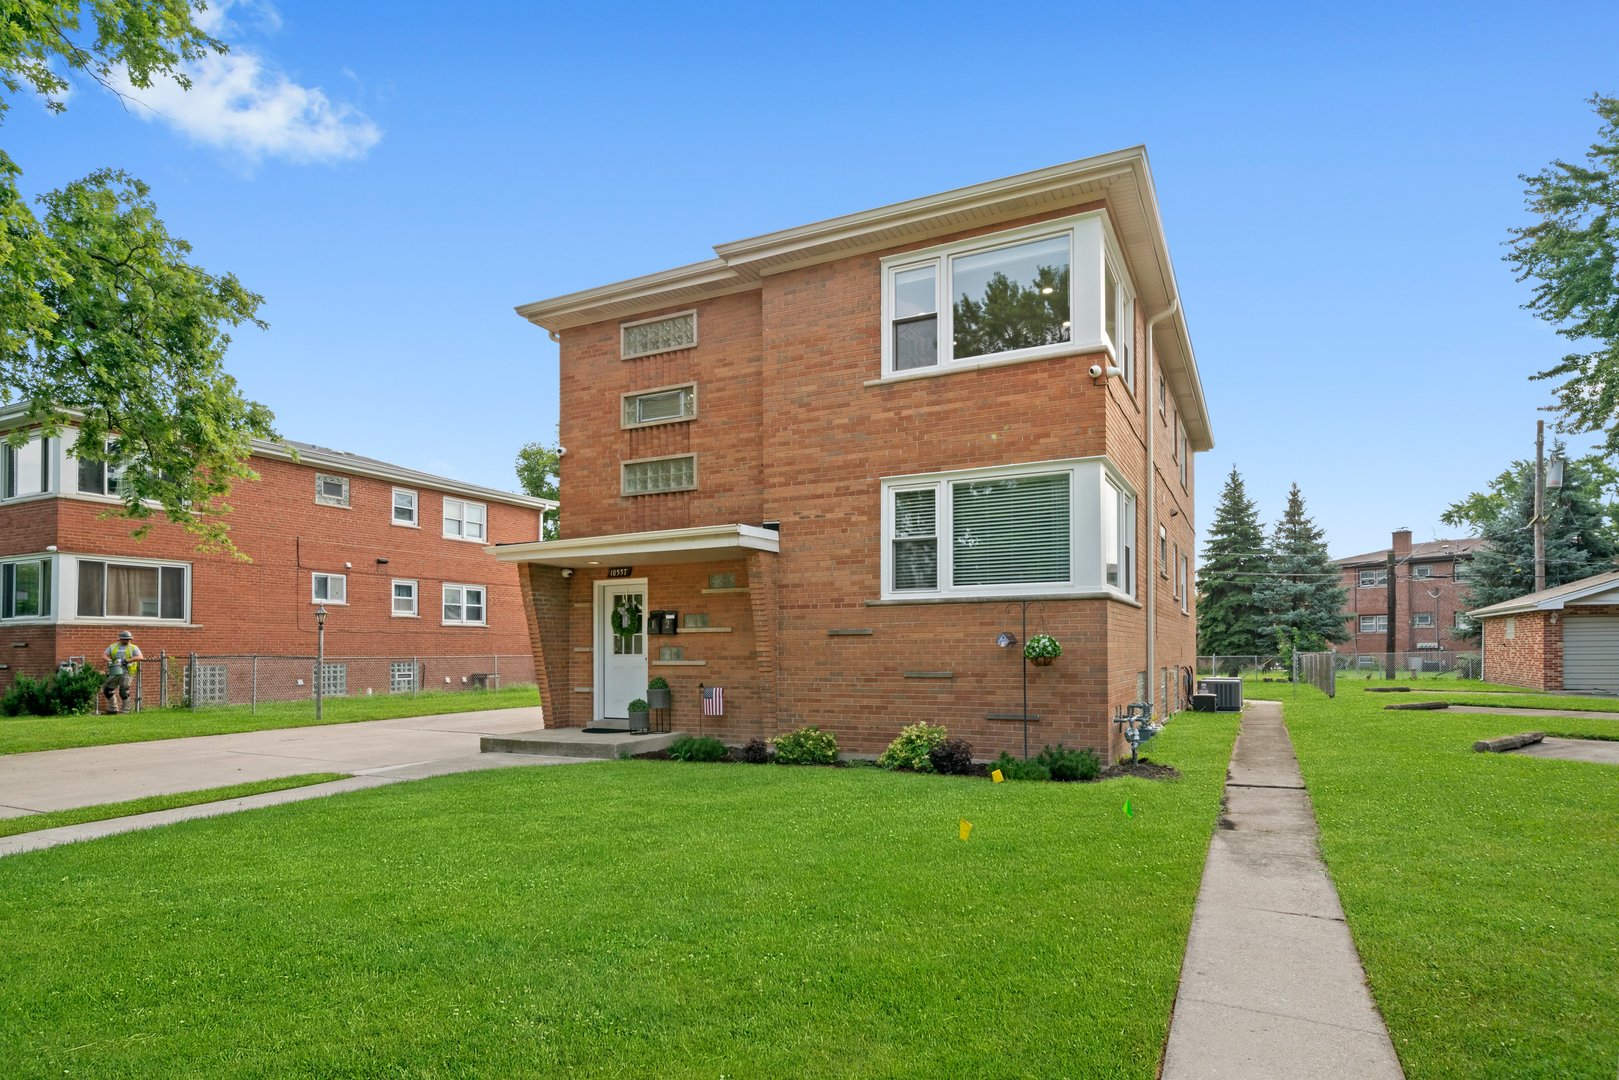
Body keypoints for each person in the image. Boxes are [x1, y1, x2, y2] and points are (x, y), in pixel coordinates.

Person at [103, 630, 143, 714]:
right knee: (107, 689)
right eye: (126, 639)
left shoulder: (133, 647)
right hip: (115, 670)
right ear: (120, 639)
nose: (128, 641)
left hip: (127, 671)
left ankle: (125, 710)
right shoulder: (113, 646)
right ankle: (112, 709)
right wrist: (109, 660)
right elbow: (104, 655)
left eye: (129, 639)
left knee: (124, 691)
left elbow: (140, 657)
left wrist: (127, 661)